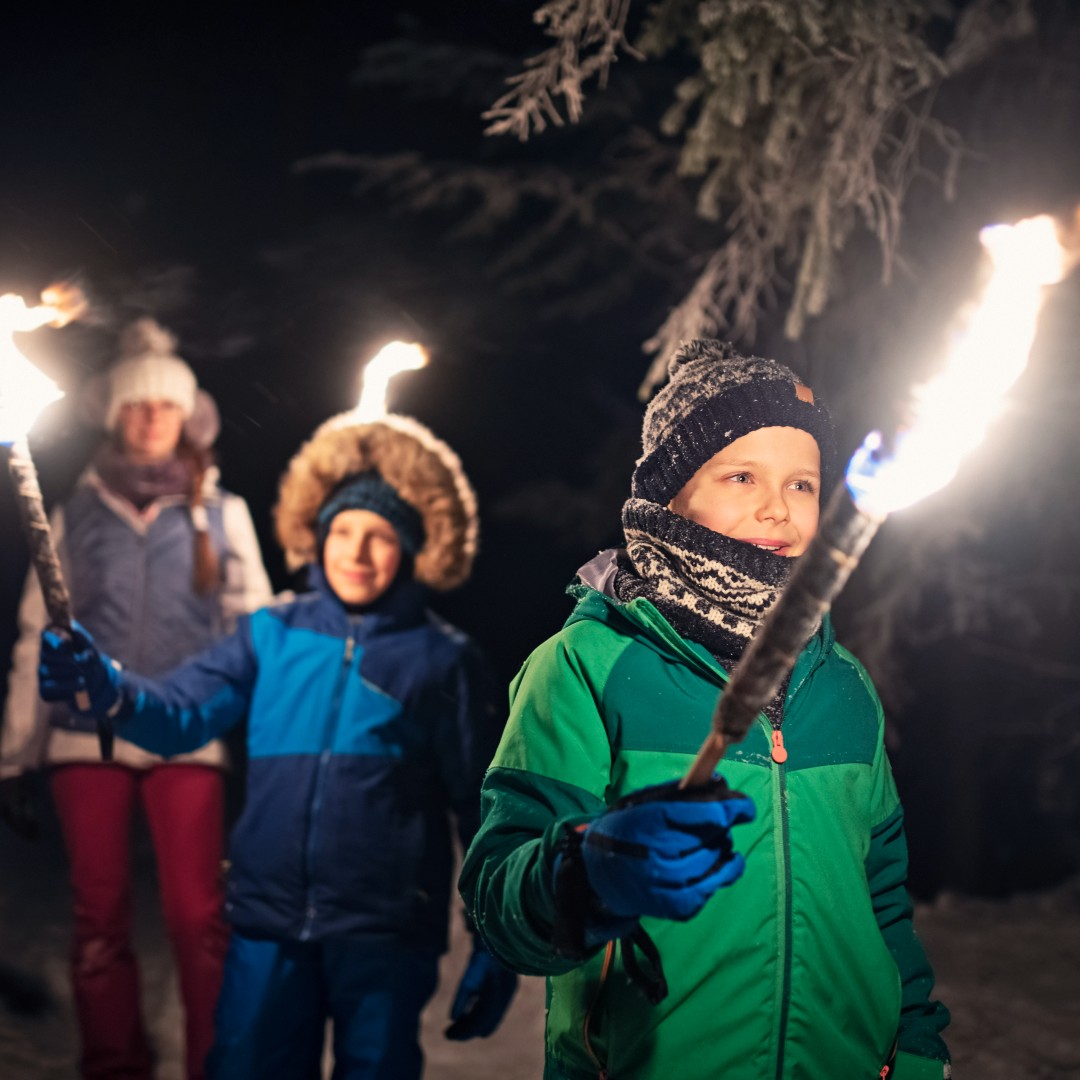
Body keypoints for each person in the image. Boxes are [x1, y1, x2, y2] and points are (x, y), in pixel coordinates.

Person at [458, 340, 951, 1080]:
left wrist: (914, 1051)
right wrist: (586, 874)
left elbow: (880, 896)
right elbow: (499, 895)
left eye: (803, 484)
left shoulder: (843, 684)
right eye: (741, 476)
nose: (776, 507)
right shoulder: (586, 666)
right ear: (669, 493)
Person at [37, 408, 518, 1079]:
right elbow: (182, 712)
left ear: (412, 548)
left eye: (380, 537)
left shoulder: (444, 660)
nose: (356, 553)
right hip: (269, 922)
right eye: (342, 531)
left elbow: (484, 807)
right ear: (318, 534)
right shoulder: (272, 633)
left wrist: (495, 937)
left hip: (383, 932)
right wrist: (109, 686)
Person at [0, 317, 272, 1080]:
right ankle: (113, 1064)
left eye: (166, 406)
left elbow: (253, 630)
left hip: (189, 734)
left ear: (188, 417)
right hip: (82, 735)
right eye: (137, 405)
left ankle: (217, 1064)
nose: (152, 418)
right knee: (98, 916)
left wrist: (264, 732)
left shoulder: (221, 512)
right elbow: (36, 635)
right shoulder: (75, 512)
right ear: (114, 414)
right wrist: (15, 754)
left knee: (198, 915)